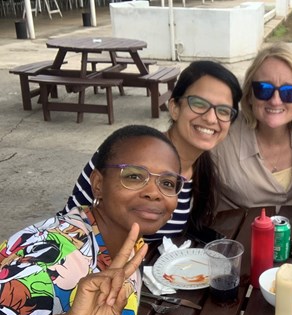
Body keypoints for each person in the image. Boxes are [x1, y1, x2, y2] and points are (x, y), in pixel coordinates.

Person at [0, 125, 182, 315]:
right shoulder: (46, 260)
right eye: (134, 176)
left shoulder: (125, 245)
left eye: (168, 183)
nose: (154, 193)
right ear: (98, 183)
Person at [61, 61, 243, 240]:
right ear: (174, 108)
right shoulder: (130, 149)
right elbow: (70, 224)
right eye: (199, 104)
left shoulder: (202, 171)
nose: (211, 118)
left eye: (223, 111)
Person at [212, 42, 292, 211]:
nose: (276, 100)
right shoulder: (223, 133)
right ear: (249, 95)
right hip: (237, 232)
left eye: (289, 92)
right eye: (264, 89)